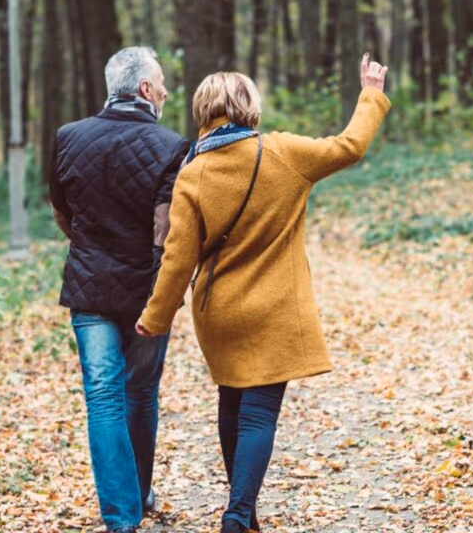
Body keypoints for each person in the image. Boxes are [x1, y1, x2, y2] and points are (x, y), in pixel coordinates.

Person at [135, 53, 390, 533]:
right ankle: (235, 516)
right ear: (248, 105)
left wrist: (156, 316)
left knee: (231, 406)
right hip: (274, 310)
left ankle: (245, 517)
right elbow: (349, 146)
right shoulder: (284, 153)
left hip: (220, 315)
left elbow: (177, 259)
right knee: (259, 415)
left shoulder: (193, 173)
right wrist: (370, 93)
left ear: (203, 109)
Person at [50, 46, 188, 533]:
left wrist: (91, 248)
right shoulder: (173, 146)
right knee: (140, 392)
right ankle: (140, 491)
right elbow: (166, 230)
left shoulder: (68, 138)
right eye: (163, 83)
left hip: (89, 287)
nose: (168, 91)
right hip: (147, 291)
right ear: (146, 90)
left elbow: (62, 212)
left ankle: (121, 517)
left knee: (103, 397)